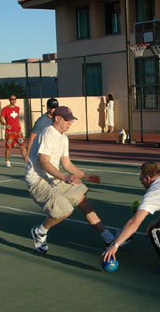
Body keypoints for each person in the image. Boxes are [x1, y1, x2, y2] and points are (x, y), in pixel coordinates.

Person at [25, 106, 125, 253]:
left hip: (54, 177)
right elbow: (44, 163)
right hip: (38, 180)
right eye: (67, 120)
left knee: (83, 201)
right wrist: (65, 177)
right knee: (65, 210)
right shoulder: (47, 132)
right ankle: (40, 231)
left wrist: (86, 176)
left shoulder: (64, 138)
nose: (70, 123)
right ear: (57, 118)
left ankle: (108, 238)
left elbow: (67, 164)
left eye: (71, 120)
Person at [25, 97, 58, 163]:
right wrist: (28, 153)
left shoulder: (58, 119)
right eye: (53, 108)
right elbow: (32, 138)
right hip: (43, 152)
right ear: (48, 108)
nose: (55, 110)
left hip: (54, 150)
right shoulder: (41, 121)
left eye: (56, 108)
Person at [0, 95, 27, 168]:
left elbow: (17, 119)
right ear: (9, 100)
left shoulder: (17, 108)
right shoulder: (5, 109)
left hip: (18, 132)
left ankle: (26, 161)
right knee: (8, 147)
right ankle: (7, 161)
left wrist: (20, 129)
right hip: (10, 132)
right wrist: (5, 124)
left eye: (14, 99)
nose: (13, 101)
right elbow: (1, 119)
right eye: (12, 99)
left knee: (22, 146)